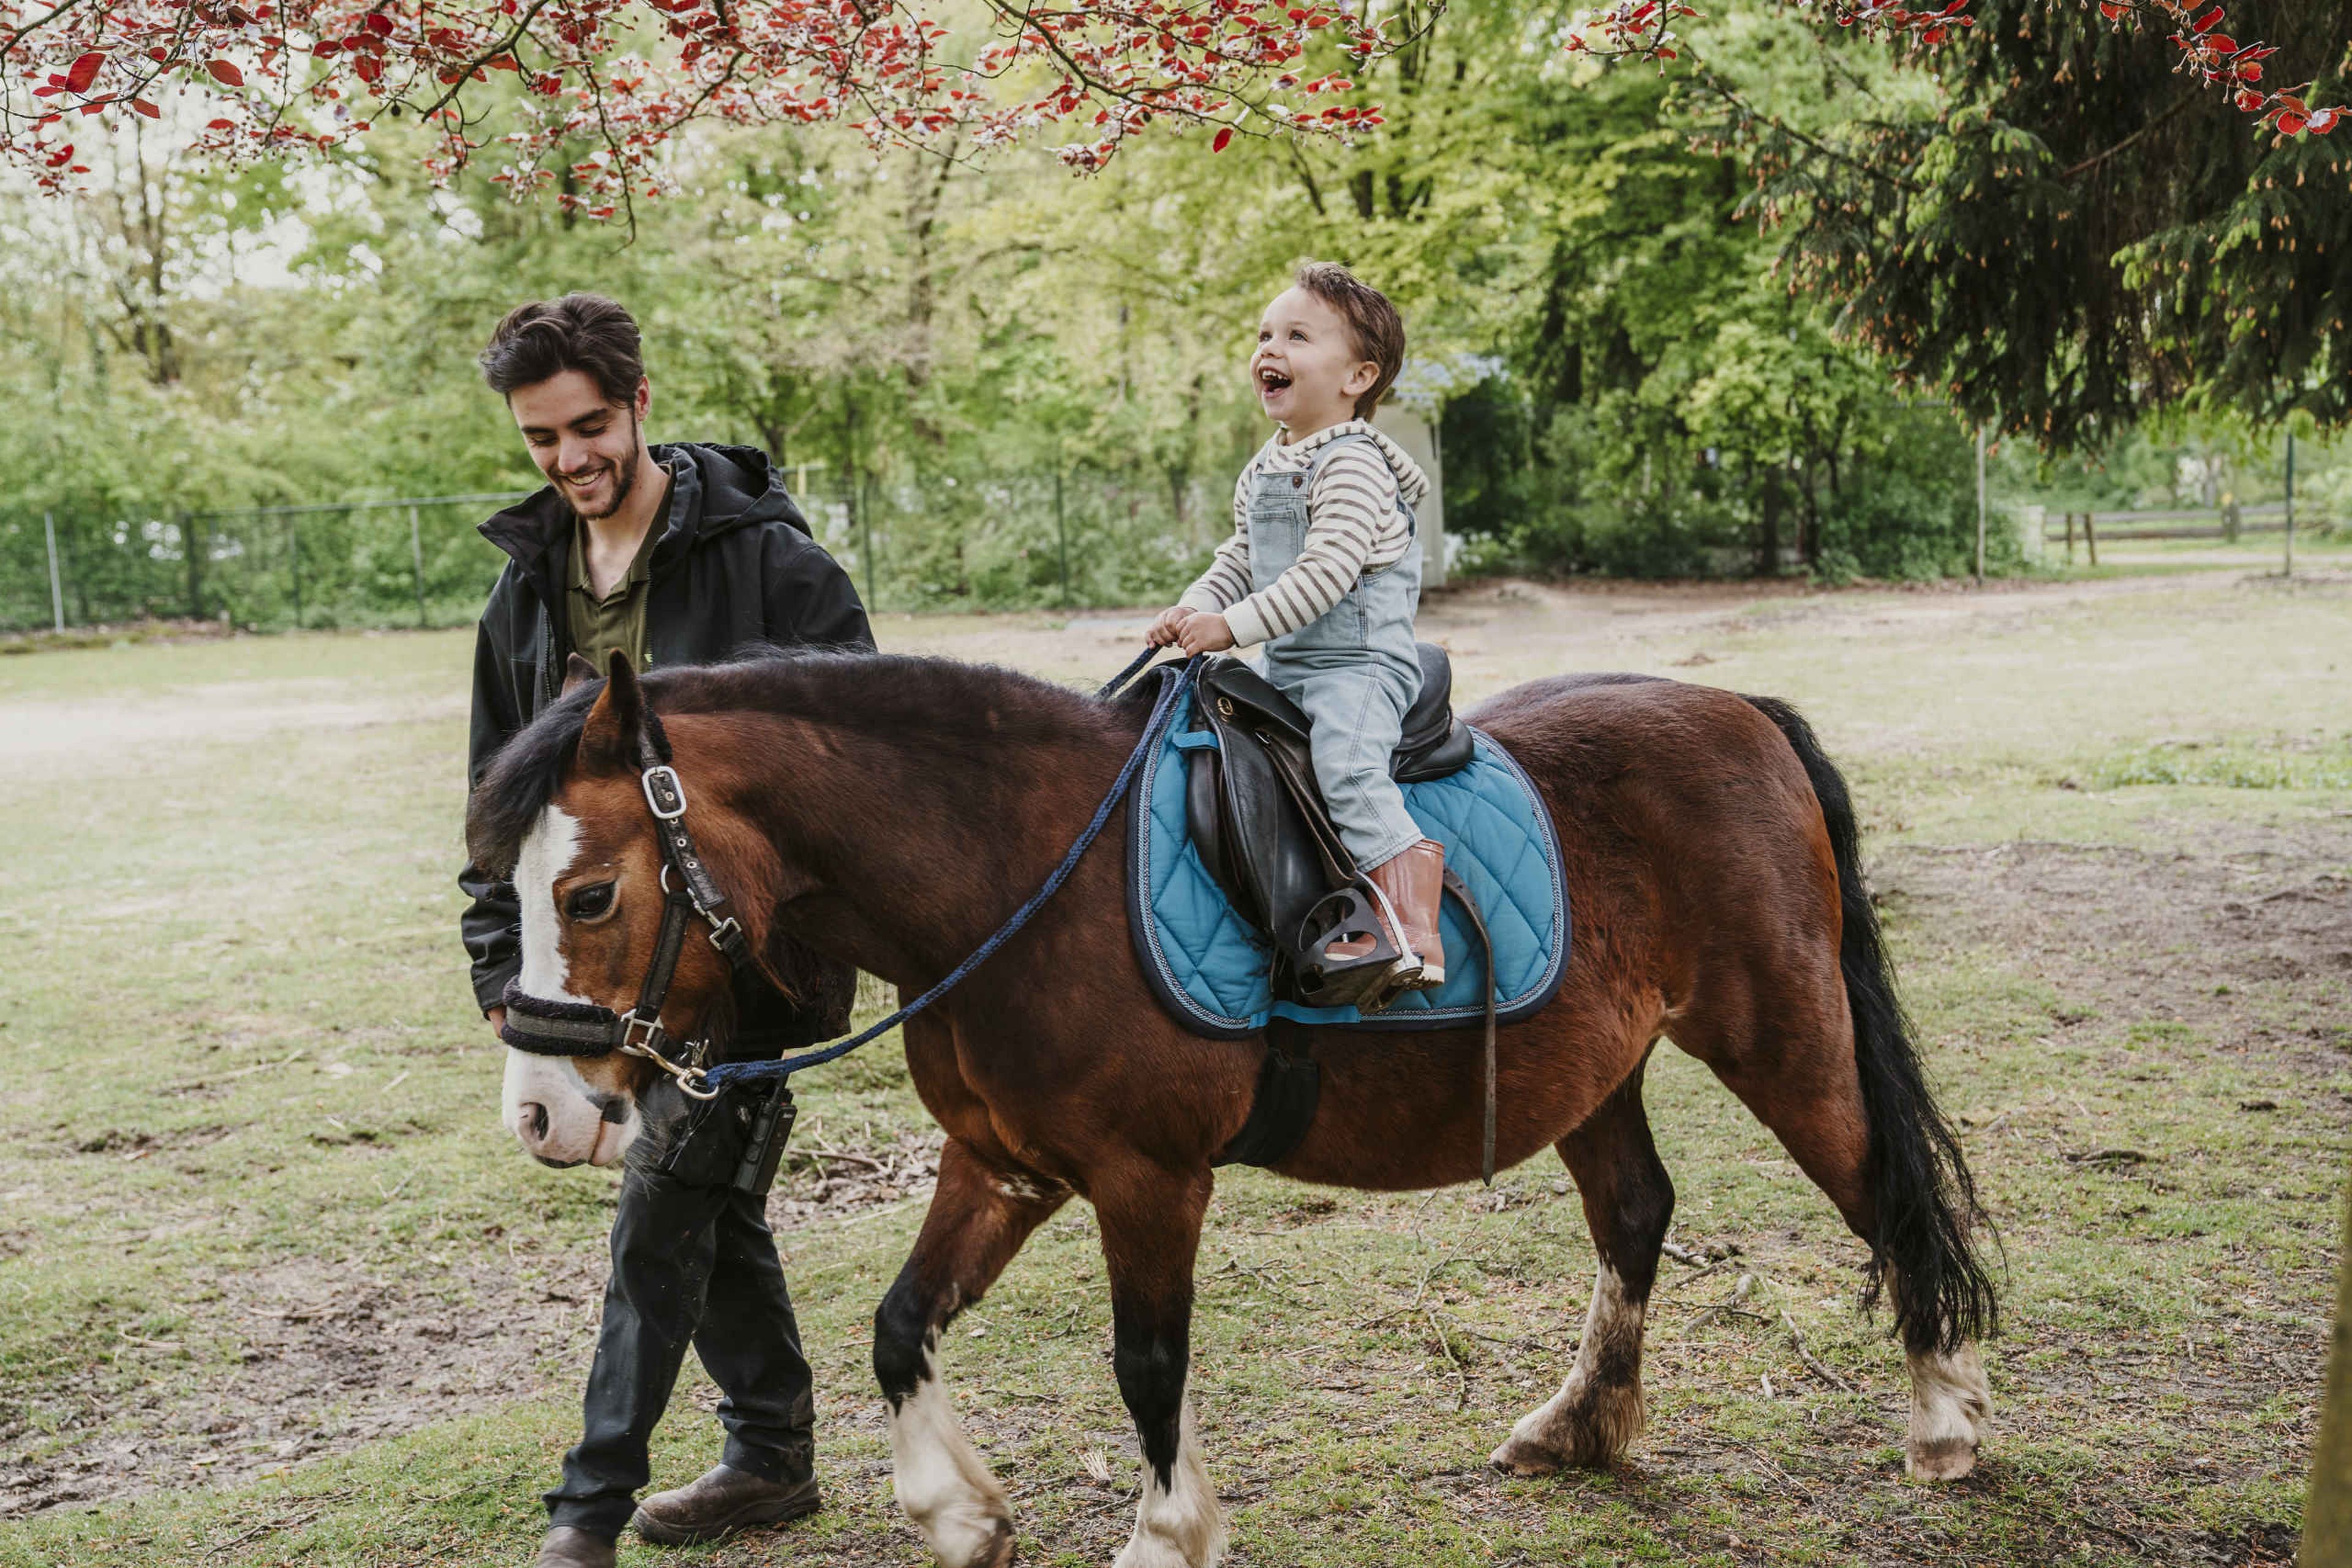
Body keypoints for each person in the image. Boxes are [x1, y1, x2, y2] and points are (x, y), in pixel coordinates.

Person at [455, 293, 873, 1568]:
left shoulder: (776, 568)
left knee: (663, 1198)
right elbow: (499, 807)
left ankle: (586, 1513)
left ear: (640, 403)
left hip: (748, 962)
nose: (570, 458)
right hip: (600, 962)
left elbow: (861, 767)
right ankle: (771, 1454)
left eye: (589, 426)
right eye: (541, 438)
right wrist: (502, 971)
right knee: (706, 1198)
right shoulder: (525, 594)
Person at [1148, 262, 1442, 996]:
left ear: (1357, 377)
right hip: (1289, 669)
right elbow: (1240, 558)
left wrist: (1230, 626)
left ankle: (1411, 929)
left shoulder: (1355, 466)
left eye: (1297, 337)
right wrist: (1193, 607)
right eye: (1264, 335)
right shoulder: (1265, 468)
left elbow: (1326, 573)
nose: (1270, 349)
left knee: (1346, 767)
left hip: (1359, 667)